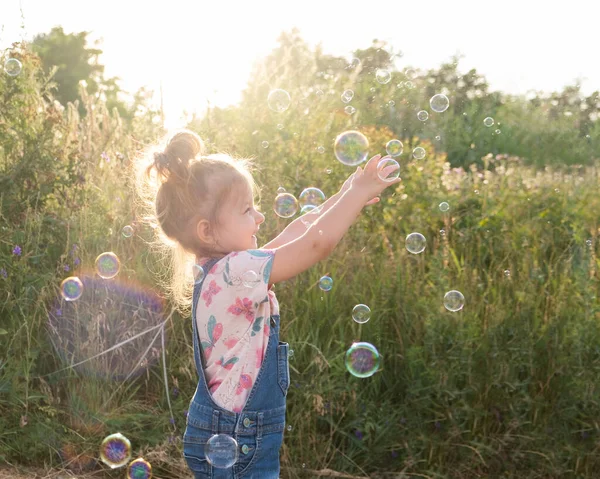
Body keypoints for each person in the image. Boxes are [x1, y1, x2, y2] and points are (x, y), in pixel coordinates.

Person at [143, 129, 400, 478]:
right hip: (239, 435)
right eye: (247, 209)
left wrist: (344, 197)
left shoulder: (224, 269)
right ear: (207, 232)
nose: (260, 217)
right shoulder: (236, 271)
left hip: (229, 432)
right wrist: (355, 195)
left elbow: (298, 232)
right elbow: (314, 246)